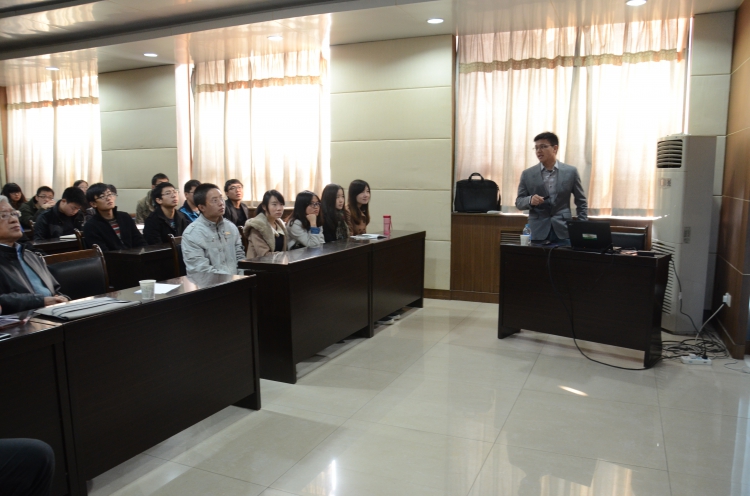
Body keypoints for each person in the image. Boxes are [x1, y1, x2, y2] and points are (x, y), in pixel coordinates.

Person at [515, 131, 588, 244]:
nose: (539, 151)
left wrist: (582, 226)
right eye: (536, 148)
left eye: (543, 147)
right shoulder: (527, 174)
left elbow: (581, 201)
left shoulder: (570, 172)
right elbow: (519, 202)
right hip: (538, 230)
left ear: (555, 148)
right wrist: (530, 200)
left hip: (563, 230)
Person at [0, 196, 68, 313]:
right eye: (4, 215)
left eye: (14, 213)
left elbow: (54, 290)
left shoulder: (31, 256)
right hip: (21, 320)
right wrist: (41, 301)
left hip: (51, 314)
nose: (13, 219)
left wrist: (63, 299)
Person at [182, 183, 245, 275]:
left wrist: (242, 278)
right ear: (202, 207)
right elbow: (200, 270)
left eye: (221, 198)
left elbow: (240, 258)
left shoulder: (231, 227)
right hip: (210, 282)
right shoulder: (192, 234)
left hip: (237, 280)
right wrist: (231, 279)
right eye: (215, 200)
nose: (221, 203)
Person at [83, 183, 146, 252]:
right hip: (113, 258)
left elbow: (139, 241)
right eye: (102, 196)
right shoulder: (91, 226)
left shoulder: (125, 217)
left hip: (134, 256)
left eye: (109, 194)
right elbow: (103, 252)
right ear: (93, 204)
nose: (108, 198)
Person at [244, 190, 288, 258]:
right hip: (260, 263)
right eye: (274, 204)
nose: (279, 208)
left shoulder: (280, 224)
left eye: (281, 204)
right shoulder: (257, 226)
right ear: (264, 207)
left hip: (278, 262)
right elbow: (264, 255)